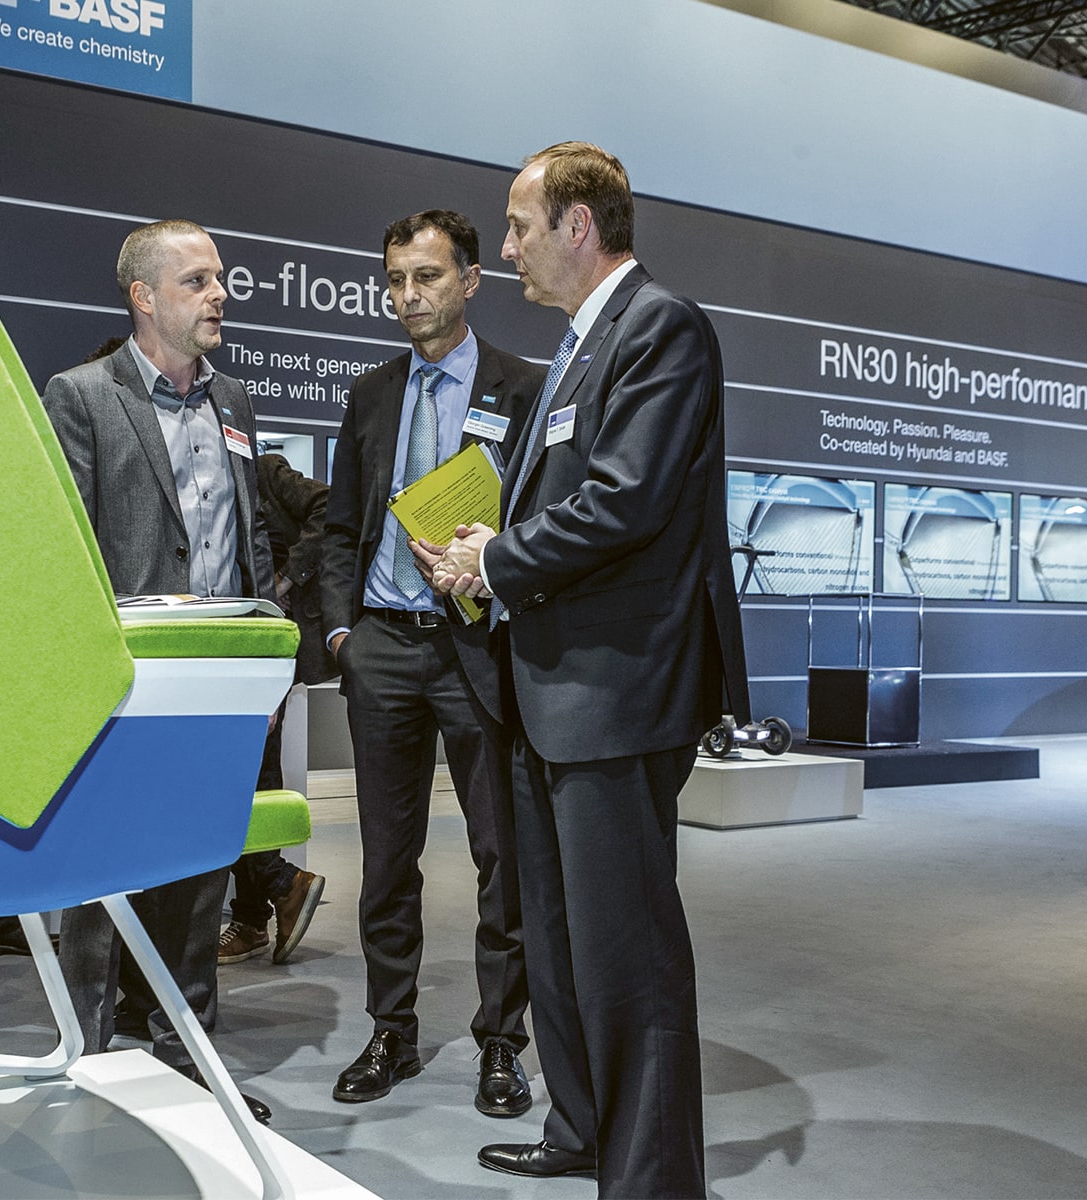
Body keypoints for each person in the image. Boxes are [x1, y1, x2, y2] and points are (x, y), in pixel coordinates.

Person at [431, 143, 749, 1197]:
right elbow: (581, 498)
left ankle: (649, 1176)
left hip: (616, 693)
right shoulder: (578, 345)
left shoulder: (659, 326)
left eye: (519, 225)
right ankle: (580, 1128)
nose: (506, 245)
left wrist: (497, 558)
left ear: (579, 225)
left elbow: (628, 498)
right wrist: (497, 540)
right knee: (561, 943)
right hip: (552, 692)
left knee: (628, 955)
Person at [41, 218, 276, 1121]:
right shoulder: (83, 395)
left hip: (219, 676)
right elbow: (67, 549)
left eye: (220, 278)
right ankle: (86, 1058)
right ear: (143, 297)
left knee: (201, 870)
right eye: (197, 281)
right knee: (103, 878)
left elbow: (248, 535)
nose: (219, 295)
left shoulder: (235, 403)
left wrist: (263, 665)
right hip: (128, 680)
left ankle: (188, 1055)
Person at [320, 210, 542, 1116]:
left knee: (502, 854)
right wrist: (342, 637)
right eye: (396, 281)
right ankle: (392, 1032)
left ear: (471, 280)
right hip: (384, 653)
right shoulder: (372, 394)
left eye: (428, 277)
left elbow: (538, 531)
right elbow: (340, 528)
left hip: (476, 651)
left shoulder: (521, 390)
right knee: (387, 857)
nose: (409, 296)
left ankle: (501, 1043)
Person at [216, 450, 328, 968]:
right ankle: (254, 914)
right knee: (247, 779)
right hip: (225, 642)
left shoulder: (263, 469)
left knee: (244, 781)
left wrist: (283, 582)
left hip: (264, 644)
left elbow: (329, 507)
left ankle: (283, 885)